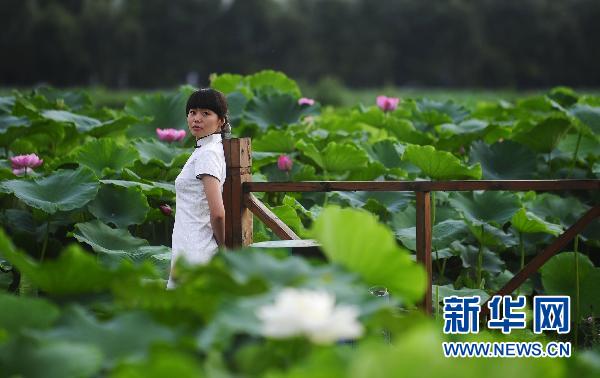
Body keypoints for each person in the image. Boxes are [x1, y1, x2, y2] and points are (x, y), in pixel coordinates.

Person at [167, 88, 230, 289]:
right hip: (189, 246)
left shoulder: (207, 154)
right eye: (192, 112)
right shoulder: (207, 149)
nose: (197, 118)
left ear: (221, 120)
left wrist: (224, 246)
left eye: (206, 113)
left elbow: (218, 214)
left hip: (196, 250)